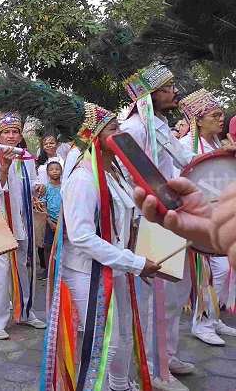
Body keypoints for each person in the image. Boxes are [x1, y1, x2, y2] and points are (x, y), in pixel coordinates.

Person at [55, 106, 160, 391]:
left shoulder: (115, 173)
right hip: (87, 270)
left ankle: (119, 384)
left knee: (124, 332)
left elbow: (126, 223)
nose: (121, 133)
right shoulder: (82, 179)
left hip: (117, 264)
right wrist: (135, 263)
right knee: (107, 339)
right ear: (95, 138)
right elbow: (81, 236)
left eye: (119, 126)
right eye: (113, 129)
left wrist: (136, 261)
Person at [120, 63, 195, 391]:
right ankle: (153, 369)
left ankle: (167, 354)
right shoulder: (134, 129)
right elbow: (128, 178)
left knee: (176, 291)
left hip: (171, 217)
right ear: (149, 96)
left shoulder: (160, 125)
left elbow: (181, 161)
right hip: (151, 219)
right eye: (166, 88)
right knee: (155, 297)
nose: (173, 92)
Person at [176, 89, 236, 346]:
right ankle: (201, 322)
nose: (221, 119)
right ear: (198, 120)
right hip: (197, 219)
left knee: (222, 269)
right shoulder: (183, 145)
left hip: (217, 217)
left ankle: (212, 317)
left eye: (222, 114)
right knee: (208, 272)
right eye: (215, 115)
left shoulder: (217, 146)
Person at [0, 112, 46, 339]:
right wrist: (5, 166)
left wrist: (38, 187)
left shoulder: (25, 158)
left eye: (14, 132)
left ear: (20, 135)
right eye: (5, 132)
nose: (10, 136)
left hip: (22, 221)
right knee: (0, 271)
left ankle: (25, 312)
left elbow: (33, 181)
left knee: (24, 268)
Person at [37, 160, 62, 281]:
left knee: (62, 246)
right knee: (48, 246)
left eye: (57, 169)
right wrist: (50, 221)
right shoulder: (46, 189)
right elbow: (42, 205)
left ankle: (60, 269)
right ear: (47, 173)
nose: (54, 172)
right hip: (49, 221)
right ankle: (47, 269)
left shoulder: (64, 188)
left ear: (61, 171)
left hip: (62, 222)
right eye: (52, 169)